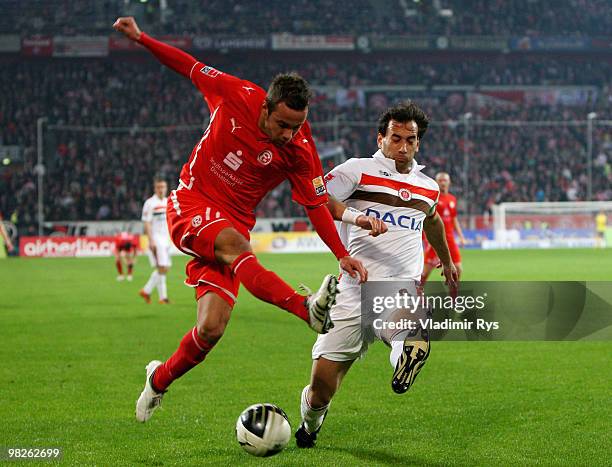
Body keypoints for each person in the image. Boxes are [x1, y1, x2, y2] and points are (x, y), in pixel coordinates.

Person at [112, 17, 372, 423]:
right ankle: (306, 310)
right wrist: (141, 38)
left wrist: (340, 253)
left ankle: (157, 380)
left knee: (211, 329)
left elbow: (315, 205)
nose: (289, 134)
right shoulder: (234, 94)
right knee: (237, 246)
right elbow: (188, 65)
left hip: (232, 223)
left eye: (297, 126)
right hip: (192, 201)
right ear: (265, 106)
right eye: (283, 124)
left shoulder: (301, 151)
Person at [295, 103, 458, 448]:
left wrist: (447, 261)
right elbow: (318, 199)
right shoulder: (357, 170)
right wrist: (358, 218)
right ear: (380, 137)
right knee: (322, 388)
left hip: (399, 284)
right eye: (395, 138)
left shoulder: (427, 187)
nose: (402, 146)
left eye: (410, 140)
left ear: (418, 143)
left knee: (402, 328)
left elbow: (432, 220)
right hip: (353, 288)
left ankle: (407, 354)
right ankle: (310, 424)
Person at [421, 172, 466, 284]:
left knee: (458, 268)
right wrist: (426, 238)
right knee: (426, 271)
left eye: (445, 180)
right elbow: (426, 218)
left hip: (450, 239)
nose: (442, 183)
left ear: (449, 182)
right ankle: (417, 293)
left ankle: (453, 295)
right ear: (436, 182)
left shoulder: (452, 199)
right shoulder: (432, 197)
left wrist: (461, 237)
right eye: (440, 180)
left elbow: (454, 219)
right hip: (435, 239)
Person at [139, 177, 172, 304]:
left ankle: (151, 293)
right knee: (162, 267)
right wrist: (151, 240)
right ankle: (161, 297)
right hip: (156, 238)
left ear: (166, 188)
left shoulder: (168, 202)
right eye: (159, 187)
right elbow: (146, 223)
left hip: (166, 238)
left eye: (163, 187)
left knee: (164, 267)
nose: (161, 189)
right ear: (155, 188)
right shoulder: (149, 203)